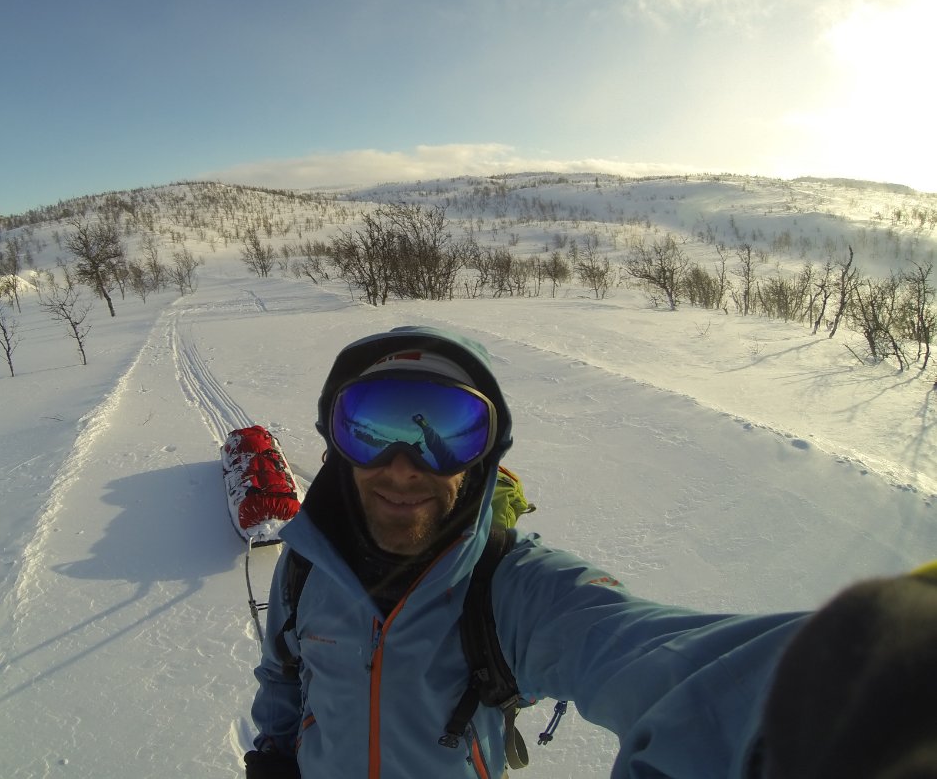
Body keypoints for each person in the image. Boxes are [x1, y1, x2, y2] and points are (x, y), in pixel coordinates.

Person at [246, 325, 935, 779]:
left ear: (484, 460)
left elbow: (654, 657)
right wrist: (274, 752)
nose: (403, 467)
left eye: (447, 434)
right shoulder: (307, 564)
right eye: (370, 429)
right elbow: (284, 673)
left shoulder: (510, 590)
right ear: (336, 444)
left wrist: (874, 687)